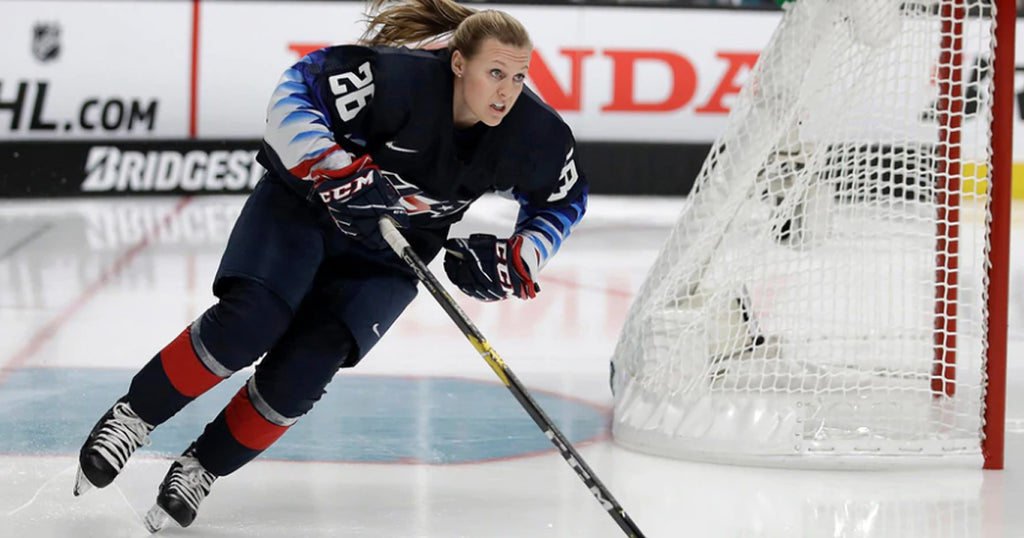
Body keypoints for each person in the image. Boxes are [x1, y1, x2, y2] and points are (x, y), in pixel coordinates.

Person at [72, 0, 588, 532]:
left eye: (519, 77)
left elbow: (565, 201)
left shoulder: (534, 133)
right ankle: (135, 417)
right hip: (304, 210)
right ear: (458, 63)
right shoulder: (398, 79)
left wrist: (518, 255)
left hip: (389, 253)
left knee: (305, 371)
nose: (507, 91)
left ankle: (201, 467)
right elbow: (295, 92)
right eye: (495, 73)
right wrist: (337, 170)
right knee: (251, 322)